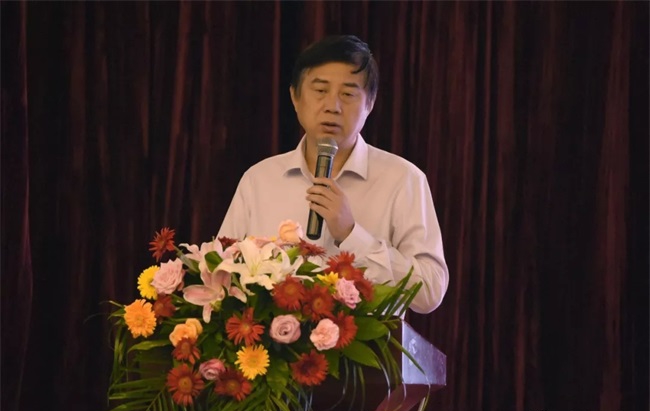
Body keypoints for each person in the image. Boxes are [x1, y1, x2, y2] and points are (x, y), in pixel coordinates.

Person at [218, 35, 448, 314]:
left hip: (364, 341)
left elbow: (430, 290)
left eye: (348, 94)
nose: (332, 106)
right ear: (295, 97)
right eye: (320, 90)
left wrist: (352, 235)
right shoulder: (259, 180)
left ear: (370, 103)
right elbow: (219, 273)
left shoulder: (403, 180)